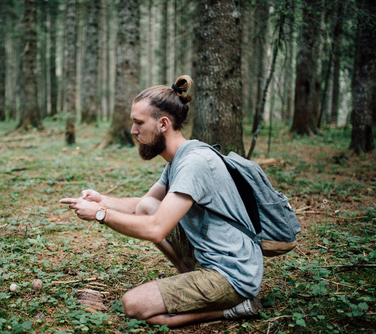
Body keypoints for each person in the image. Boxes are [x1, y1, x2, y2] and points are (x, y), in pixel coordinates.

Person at [60, 75, 263, 328]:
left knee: (134, 305)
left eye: (139, 123)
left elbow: (156, 228)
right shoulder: (180, 157)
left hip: (232, 274)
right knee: (148, 206)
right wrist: (103, 200)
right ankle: (192, 280)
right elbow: (143, 205)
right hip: (212, 258)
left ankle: (234, 308)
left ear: (163, 123)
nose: (133, 131)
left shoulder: (193, 163)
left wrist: (101, 213)